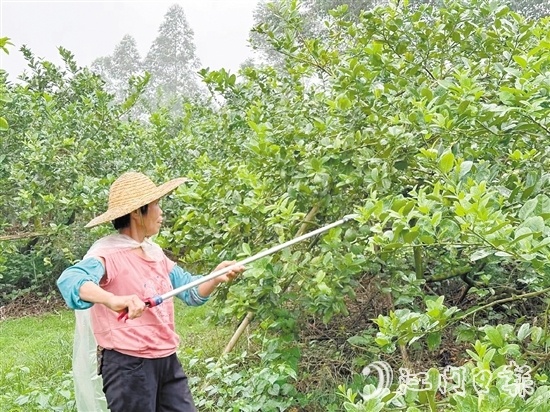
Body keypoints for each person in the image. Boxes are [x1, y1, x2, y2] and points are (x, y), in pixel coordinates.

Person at [57, 171, 244, 412]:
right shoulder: (107, 254)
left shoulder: (155, 253)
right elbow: (71, 280)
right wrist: (112, 299)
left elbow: (191, 292)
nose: (161, 211)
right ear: (137, 212)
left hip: (167, 360)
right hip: (128, 365)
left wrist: (215, 276)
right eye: (156, 204)